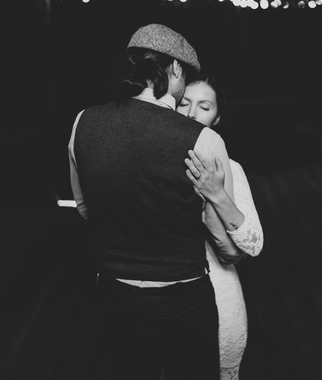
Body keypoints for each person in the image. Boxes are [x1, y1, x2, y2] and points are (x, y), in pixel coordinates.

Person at [67, 23, 243, 380]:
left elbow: (84, 207)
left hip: (114, 292)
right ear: (175, 69)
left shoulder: (83, 121)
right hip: (182, 297)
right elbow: (221, 233)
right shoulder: (203, 140)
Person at [178, 73, 264, 380]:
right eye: (184, 102)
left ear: (216, 119)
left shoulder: (232, 169)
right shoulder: (149, 159)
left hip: (221, 301)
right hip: (164, 306)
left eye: (204, 106)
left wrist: (215, 192)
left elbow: (252, 245)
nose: (191, 113)